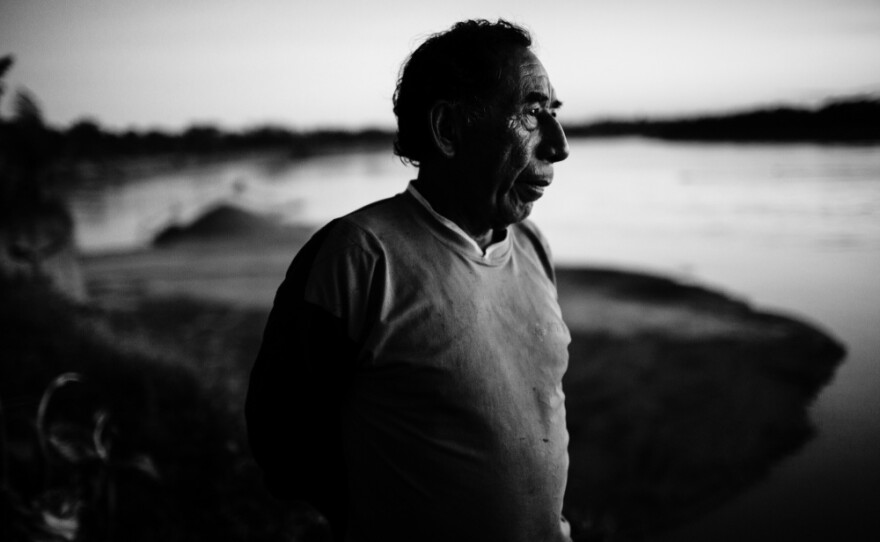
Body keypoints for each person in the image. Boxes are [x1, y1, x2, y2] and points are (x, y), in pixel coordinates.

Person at [246, 19, 572, 542]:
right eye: (532, 114)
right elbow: (282, 439)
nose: (558, 146)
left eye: (553, 114)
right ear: (448, 129)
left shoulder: (532, 246)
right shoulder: (358, 255)